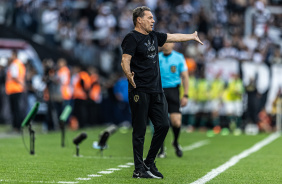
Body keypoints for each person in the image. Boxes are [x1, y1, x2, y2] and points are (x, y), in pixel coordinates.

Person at [121, 6, 203, 179]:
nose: (153, 20)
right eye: (150, 18)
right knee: (140, 130)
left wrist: (191, 36)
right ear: (139, 20)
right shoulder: (131, 38)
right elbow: (125, 60)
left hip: (157, 90)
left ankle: (149, 162)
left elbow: (173, 37)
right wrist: (128, 75)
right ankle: (138, 169)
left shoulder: (153, 36)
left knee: (164, 125)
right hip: (139, 90)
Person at [157, 42, 189, 158]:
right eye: (164, 42)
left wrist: (185, 95)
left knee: (176, 122)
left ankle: (175, 141)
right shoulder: (157, 57)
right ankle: (161, 149)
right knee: (160, 122)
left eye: (168, 42)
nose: (165, 45)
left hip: (174, 91)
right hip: (160, 91)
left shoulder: (179, 57)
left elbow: (185, 76)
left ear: (173, 44)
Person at [5, 50, 26, 132]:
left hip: (14, 89)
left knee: (15, 110)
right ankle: (18, 126)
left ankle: (16, 127)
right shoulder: (20, 64)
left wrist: (21, 84)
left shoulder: (14, 64)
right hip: (18, 89)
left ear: (14, 55)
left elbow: (14, 76)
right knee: (18, 109)